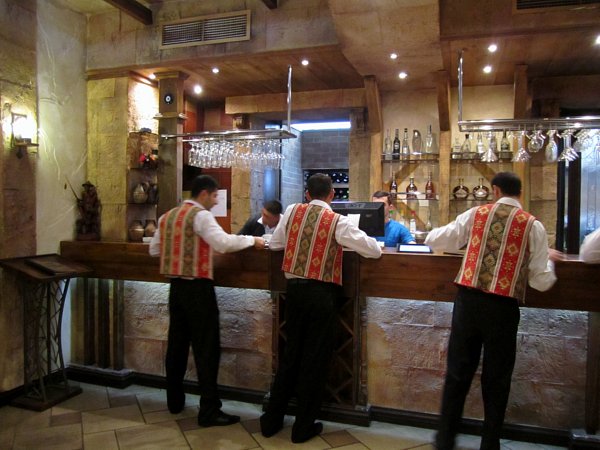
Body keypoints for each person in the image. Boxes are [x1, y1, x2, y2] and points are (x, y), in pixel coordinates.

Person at [424, 172, 558, 450]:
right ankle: (490, 444)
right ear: (519, 193)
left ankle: (445, 439)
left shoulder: (476, 214)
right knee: (497, 379)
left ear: (495, 191)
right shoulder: (533, 226)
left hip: (468, 303)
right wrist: (551, 260)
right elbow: (541, 281)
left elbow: (437, 240)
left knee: (458, 371)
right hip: (503, 309)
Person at [260, 173, 382, 443]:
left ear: (306, 194)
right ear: (332, 195)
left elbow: (277, 244)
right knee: (314, 361)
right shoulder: (337, 221)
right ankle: (302, 427)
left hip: (294, 294)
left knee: (290, 356)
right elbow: (373, 250)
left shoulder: (291, 212)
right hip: (321, 295)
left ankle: (271, 421)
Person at [149, 175, 265, 427]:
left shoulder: (167, 217)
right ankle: (209, 410)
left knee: (177, 346)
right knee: (206, 349)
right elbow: (223, 243)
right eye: (214, 196)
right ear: (204, 193)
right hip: (198, 289)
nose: (215, 201)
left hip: (176, 289)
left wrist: (180, 253)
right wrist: (252, 240)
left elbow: (154, 250)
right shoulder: (200, 216)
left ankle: (175, 402)